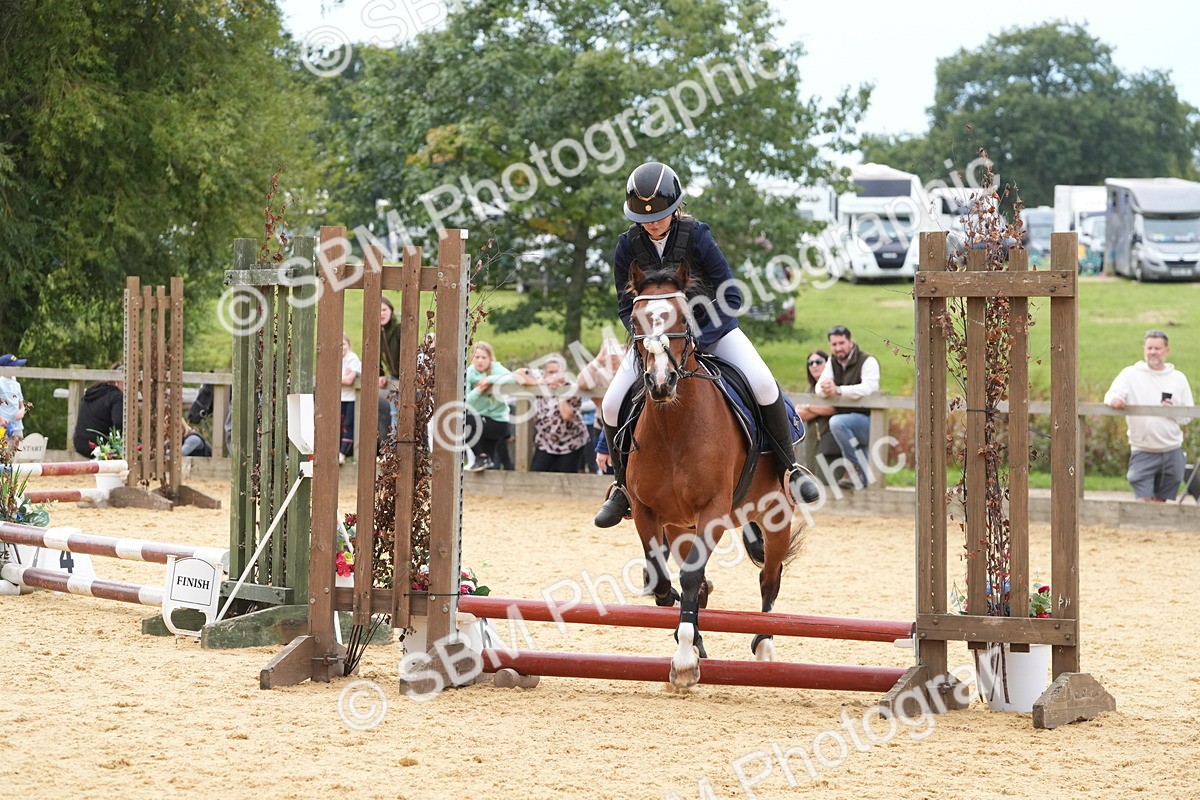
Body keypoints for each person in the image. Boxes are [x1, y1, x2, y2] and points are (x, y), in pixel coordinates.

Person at [593, 162, 818, 528]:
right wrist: (645, 338)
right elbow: (624, 303)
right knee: (612, 401)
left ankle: (790, 469)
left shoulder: (696, 235)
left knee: (761, 382)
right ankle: (622, 487)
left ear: (675, 208)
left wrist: (691, 331)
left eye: (662, 215)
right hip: (652, 342)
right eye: (645, 217)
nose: (653, 223)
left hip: (713, 331)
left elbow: (728, 288)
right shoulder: (626, 246)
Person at [1103, 329, 1194, 502]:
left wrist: (1174, 409)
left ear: (1167, 350)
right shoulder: (1130, 374)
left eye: (1157, 348)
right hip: (1142, 449)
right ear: (1144, 349)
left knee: (1161, 502)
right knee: (1142, 501)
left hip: (1171, 449)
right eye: (1149, 348)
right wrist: (1114, 400)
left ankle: (1156, 530)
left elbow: (1188, 416)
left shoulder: (1178, 378)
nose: (1153, 352)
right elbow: (1110, 396)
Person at [814, 326, 880, 489]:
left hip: (869, 421)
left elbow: (869, 388)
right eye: (834, 344)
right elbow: (818, 388)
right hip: (848, 423)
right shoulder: (832, 361)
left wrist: (838, 390)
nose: (838, 348)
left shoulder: (867, 360)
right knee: (865, 482)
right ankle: (860, 479)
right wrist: (826, 389)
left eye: (841, 343)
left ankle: (853, 468)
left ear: (850, 342)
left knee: (837, 422)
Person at [464, 342, 531, 472]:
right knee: (487, 464)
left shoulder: (496, 368)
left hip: (497, 422)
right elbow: (466, 402)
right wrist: (479, 389)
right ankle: (483, 462)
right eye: (477, 357)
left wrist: (490, 379)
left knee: (462, 420)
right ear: (472, 357)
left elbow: (514, 378)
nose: (480, 361)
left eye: (484, 357)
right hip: (480, 422)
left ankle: (481, 456)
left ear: (490, 358)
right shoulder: (469, 373)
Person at [530, 354, 590, 473]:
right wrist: (536, 383)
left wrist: (560, 395)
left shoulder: (571, 387)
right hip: (546, 440)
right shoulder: (539, 380)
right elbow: (518, 374)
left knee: (566, 475)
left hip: (570, 441)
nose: (552, 376)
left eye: (556, 372)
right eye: (550, 372)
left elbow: (567, 416)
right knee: (537, 472)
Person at [796, 349, 844, 485]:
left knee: (832, 481)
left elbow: (833, 409)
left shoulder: (833, 385)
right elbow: (800, 414)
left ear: (827, 364)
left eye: (818, 361)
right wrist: (816, 408)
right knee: (814, 482)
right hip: (812, 442)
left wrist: (808, 406)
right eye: (810, 363)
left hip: (831, 442)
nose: (814, 365)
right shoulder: (810, 389)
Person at [72, 363, 124, 458]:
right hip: (97, 446)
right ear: (117, 380)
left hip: (79, 442)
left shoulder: (95, 390)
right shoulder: (116, 397)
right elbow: (119, 424)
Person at [379, 297, 402, 439]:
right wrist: (380, 374)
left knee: (411, 416)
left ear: (391, 311)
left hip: (409, 376)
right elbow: (375, 354)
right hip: (394, 376)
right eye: (378, 311)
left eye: (384, 310)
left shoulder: (399, 329)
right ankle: (394, 451)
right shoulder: (378, 332)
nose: (381, 313)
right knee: (394, 415)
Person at [340, 333, 362, 463]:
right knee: (339, 425)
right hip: (340, 397)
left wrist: (338, 377)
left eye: (344, 344)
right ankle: (339, 452)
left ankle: (343, 454)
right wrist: (342, 377)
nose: (342, 347)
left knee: (348, 425)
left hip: (351, 398)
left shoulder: (352, 358)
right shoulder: (336, 358)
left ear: (348, 345)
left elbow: (349, 380)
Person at [0, 353, 28, 445]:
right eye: (14, 366)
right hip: (3, 427)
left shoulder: (16, 384)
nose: (17, 368)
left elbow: (21, 405)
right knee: (3, 455)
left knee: (16, 455)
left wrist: (22, 411)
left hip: (17, 427)